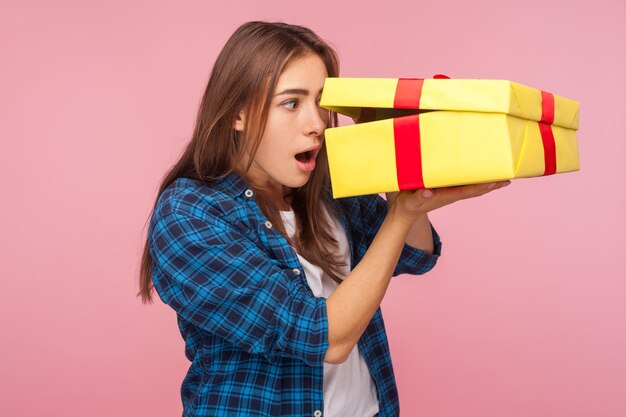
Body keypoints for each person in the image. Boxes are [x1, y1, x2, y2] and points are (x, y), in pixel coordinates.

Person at [138, 21, 510, 417]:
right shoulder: (191, 214)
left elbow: (412, 257)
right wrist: (400, 216)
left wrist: (405, 188)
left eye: (320, 102)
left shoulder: (327, 186)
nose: (317, 123)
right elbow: (325, 337)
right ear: (238, 114)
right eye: (292, 103)